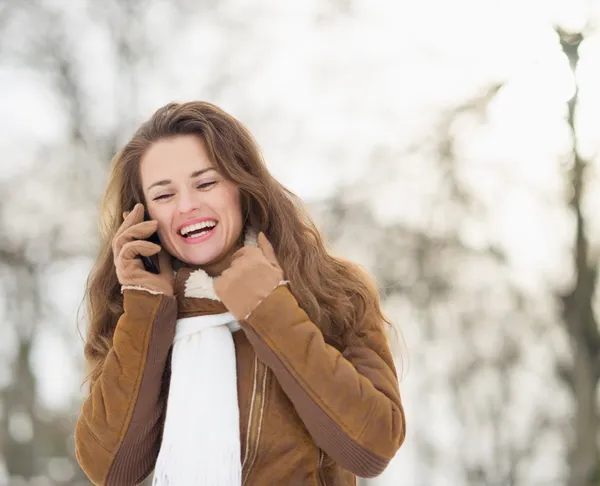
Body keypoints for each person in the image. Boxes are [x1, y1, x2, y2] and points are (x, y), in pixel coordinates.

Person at [74, 101, 406, 486]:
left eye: (206, 183)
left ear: (241, 185)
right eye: (164, 196)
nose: (187, 205)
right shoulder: (138, 310)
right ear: (143, 214)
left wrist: (269, 307)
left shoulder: (331, 287)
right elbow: (109, 468)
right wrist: (146, 313)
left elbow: (372, 446)